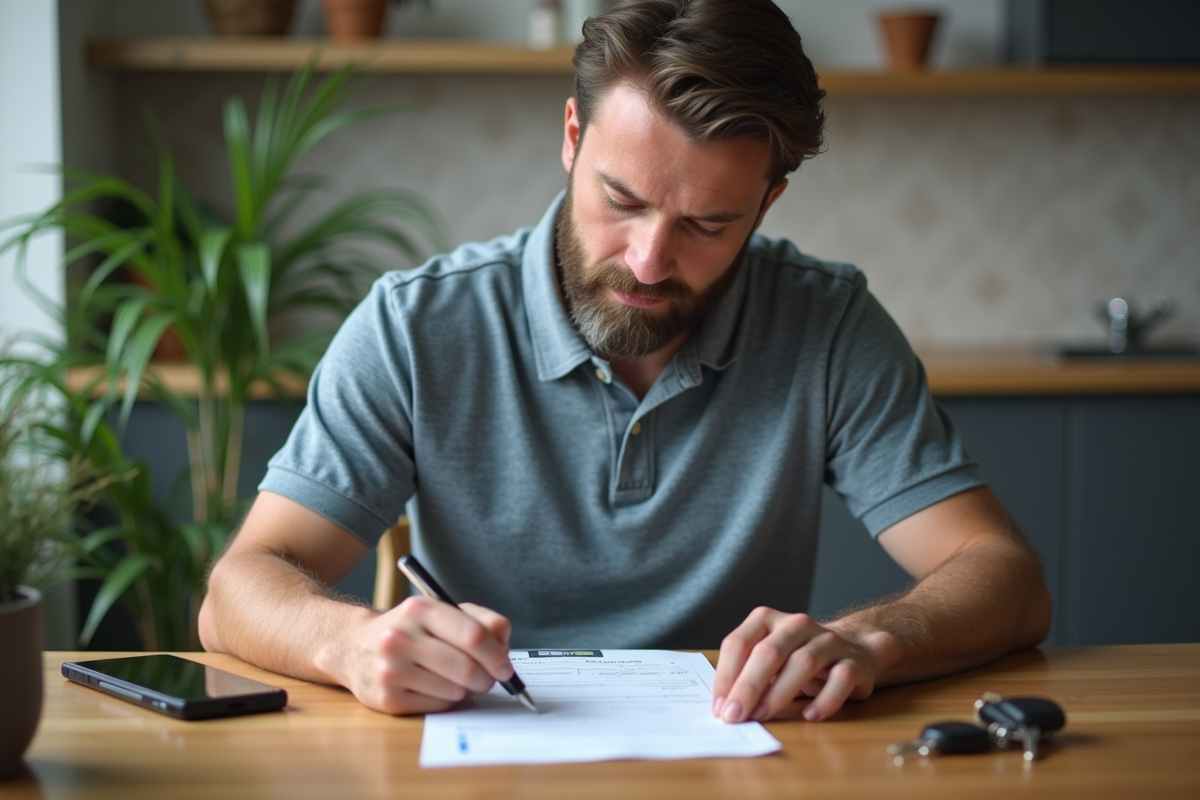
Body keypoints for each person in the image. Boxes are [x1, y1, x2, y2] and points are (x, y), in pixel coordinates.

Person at [199, 0, 1051, 724]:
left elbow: (1006, 577)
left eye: (707, 224)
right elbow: (237, 589)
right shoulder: (415, 327)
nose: (648, 261)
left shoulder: (827, 325)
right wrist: (347, 642)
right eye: (622, 200)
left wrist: (869, 639)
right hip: (483, 753)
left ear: (766, 203)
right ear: (573, 138)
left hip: (739, 757)